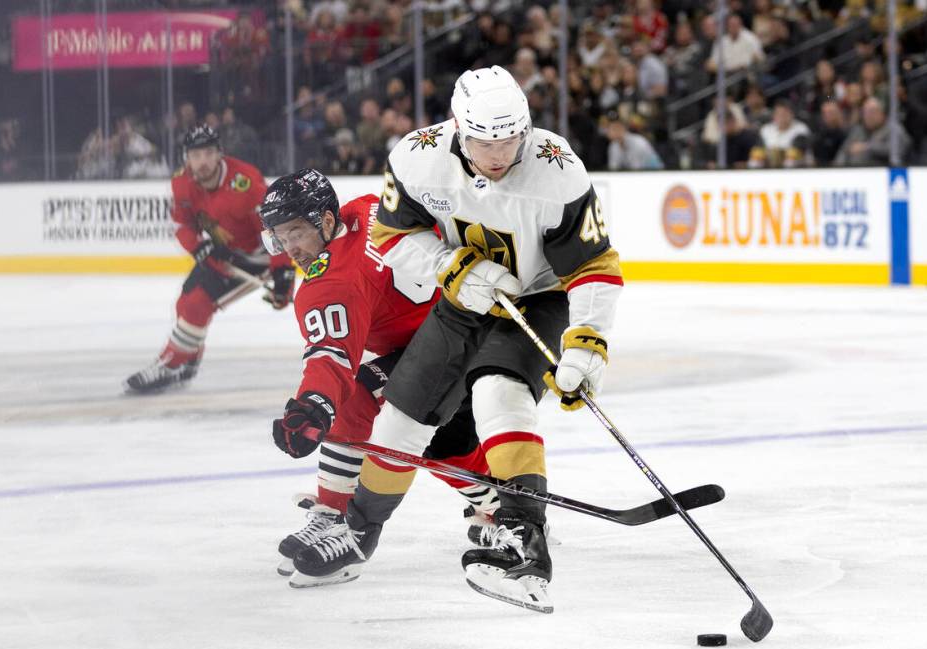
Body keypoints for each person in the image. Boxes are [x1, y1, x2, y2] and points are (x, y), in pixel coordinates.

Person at [289, 66, 623, 613]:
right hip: (461, 297)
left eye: (511, 139)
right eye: (484, 141)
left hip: (538, 296)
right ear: (457, 129)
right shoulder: (417, 159)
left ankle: (523, 540)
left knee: (497, 391)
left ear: (527, 128)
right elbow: (392, 236)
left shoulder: (558, 170)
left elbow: (595, 264)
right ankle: (358, 532)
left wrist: (586, 345)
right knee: (401, 412)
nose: (498, 153)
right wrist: (452, 267)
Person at [258, 169, 500, 579]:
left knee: (433, 434)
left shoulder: (333, 282)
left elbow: (330, 356)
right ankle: (334, 511)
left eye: (296, 232)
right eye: (281, 236)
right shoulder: (364, 208)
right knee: (365, 397)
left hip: (459, 338)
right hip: (453, 325)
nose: (290, 248)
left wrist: (312, 405)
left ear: (326, 222)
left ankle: (499, 505)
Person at [124, 125, 295, 393]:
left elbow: (274, 227)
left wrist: (283, 272)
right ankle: (187, 363)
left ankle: (170, 364)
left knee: (197, 305)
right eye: (195, 155)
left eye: (207, 153)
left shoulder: (246, 182)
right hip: (219, 253)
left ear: (219, 155)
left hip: (256, 259)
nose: (201, 161)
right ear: (186, 158)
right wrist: (197, 246)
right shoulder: (182, 183)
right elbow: (182, 225)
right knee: (185, 304)